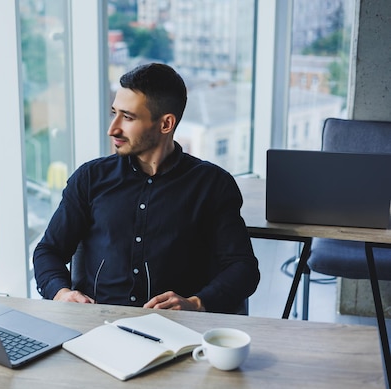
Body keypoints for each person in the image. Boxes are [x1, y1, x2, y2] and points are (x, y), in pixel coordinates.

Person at [33, 63, 259, 313]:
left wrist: (196, 304)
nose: (113, 128)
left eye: (127, 117)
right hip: (97, 325)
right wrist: (61, 293)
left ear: (165, 124)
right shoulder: (90, 178)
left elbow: (243, 268)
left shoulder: (213, 185)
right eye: (114, 113)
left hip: (177, 331)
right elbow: (48, 251)